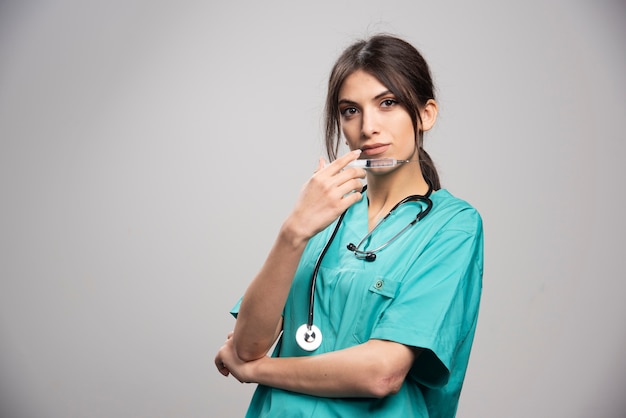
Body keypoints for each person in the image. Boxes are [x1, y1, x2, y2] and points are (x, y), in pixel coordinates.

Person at [214, 34, 484, 417]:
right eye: (350, 110)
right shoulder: (322, 211)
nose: (367, 126)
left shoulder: (453, 227)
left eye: (387, 103)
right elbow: (247, 345)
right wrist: (294, 231)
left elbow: (382, 373)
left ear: (425, 114)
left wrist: (257, 371)